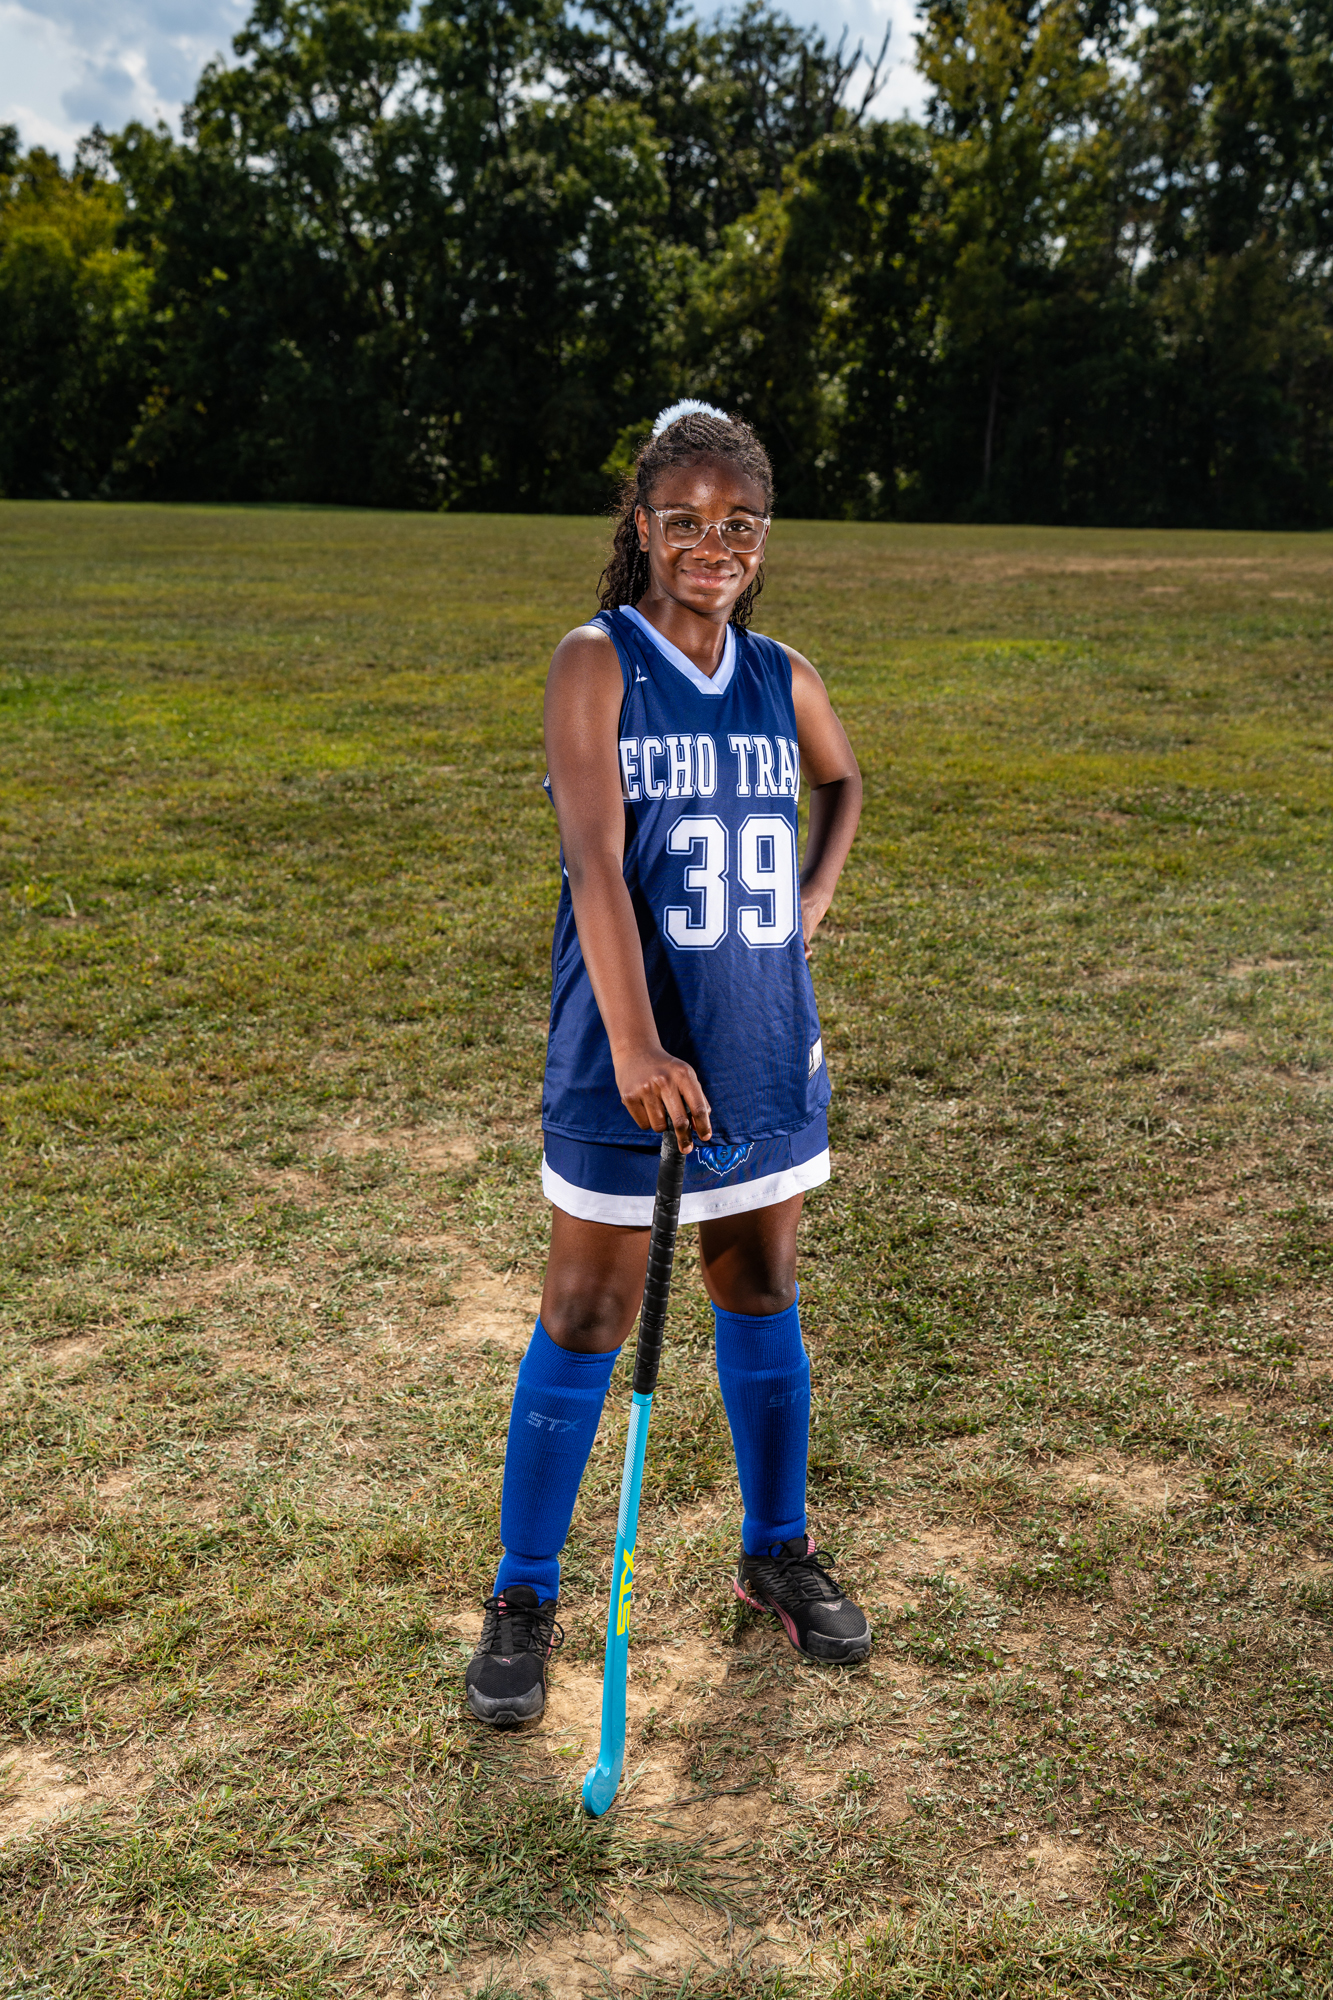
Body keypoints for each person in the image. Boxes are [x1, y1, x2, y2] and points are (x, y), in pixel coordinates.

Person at [466, 401, 869, 1728]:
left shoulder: (782, 672)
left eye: (738, 523)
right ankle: (524, 1595)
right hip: (621, 1042)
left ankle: (776, 1550)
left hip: (758, 1032)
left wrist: (811, 901)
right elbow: (593, 865)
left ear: (764, 538)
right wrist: (637, 1043)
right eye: (685, 521)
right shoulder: (596, 663)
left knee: (759, 1282)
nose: (713, 544)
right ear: (642, 527)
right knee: (589, 1310)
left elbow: (842, 784)